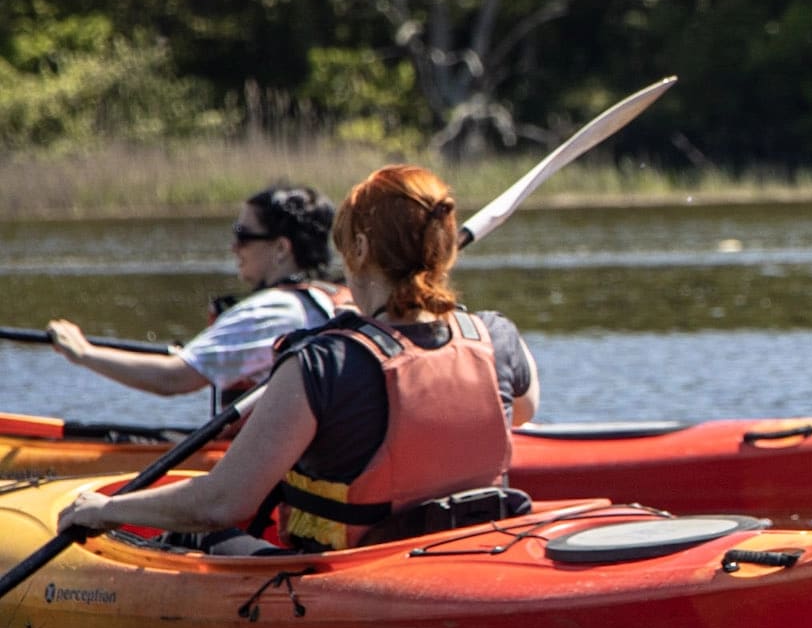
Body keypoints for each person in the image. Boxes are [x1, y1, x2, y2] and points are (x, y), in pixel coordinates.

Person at [59, 165, 540, 552]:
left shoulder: (321, 362)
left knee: (196, 533)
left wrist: (106, 511)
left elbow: (224, 502)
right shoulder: (495, 335)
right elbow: (520, 411)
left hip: (352, 575)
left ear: (360, 248)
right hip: (476, 550)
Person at [46, 185, 351, 400]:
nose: (233, 246)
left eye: (243, 235)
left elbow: (172, 378)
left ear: (282, 248)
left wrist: (83, 353)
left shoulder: (274, 310)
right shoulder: (333, 297)